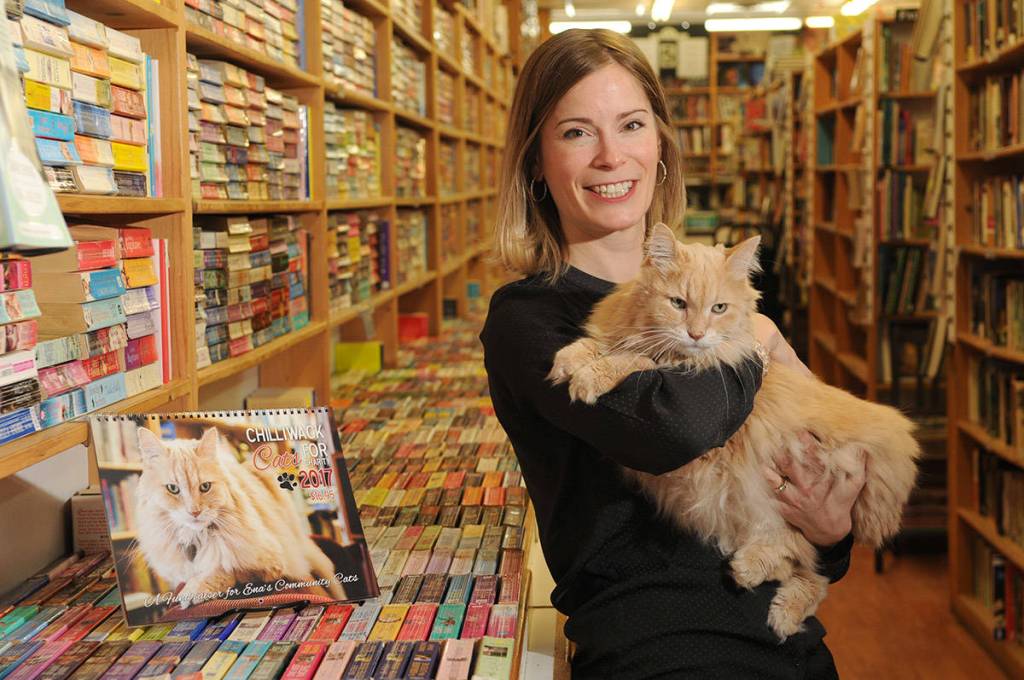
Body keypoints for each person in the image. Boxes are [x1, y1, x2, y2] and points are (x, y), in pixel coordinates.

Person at [479, 29, 867, 679]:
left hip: (790, 641)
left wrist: (830, 531)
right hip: (660, 649)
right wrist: (758, 339)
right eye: (576, 132)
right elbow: (674, 427)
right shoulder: (531, 319)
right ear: (536, 162)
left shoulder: (712, 293)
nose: (611, 156)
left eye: (631, 125)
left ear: (660, 146)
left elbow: (812, 508)